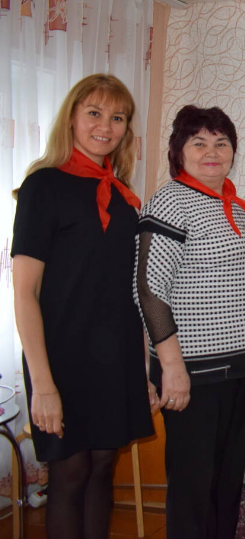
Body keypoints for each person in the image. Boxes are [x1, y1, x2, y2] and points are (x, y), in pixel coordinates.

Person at [11, 73, 155, 538]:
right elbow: (24, 293)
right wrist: (43, 385)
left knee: (102, 468)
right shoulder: (43, 186)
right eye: (94, 113)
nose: (105, 126)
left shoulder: (123, 195)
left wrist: (143, 368)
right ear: (71, 118)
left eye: (118, 117)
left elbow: (128, 290)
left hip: (115, 356)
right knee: (70, 473)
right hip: (61, 356)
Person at [134, 105, 245, 538]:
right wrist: (171, 367)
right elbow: (149, 289)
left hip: (241, 367)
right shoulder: (171, 201)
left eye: (221, 142)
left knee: (226, 485)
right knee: (193, 488)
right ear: (180, 151)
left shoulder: (235, 205)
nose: (212, 152)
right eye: (199, 143)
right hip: (194, 371)